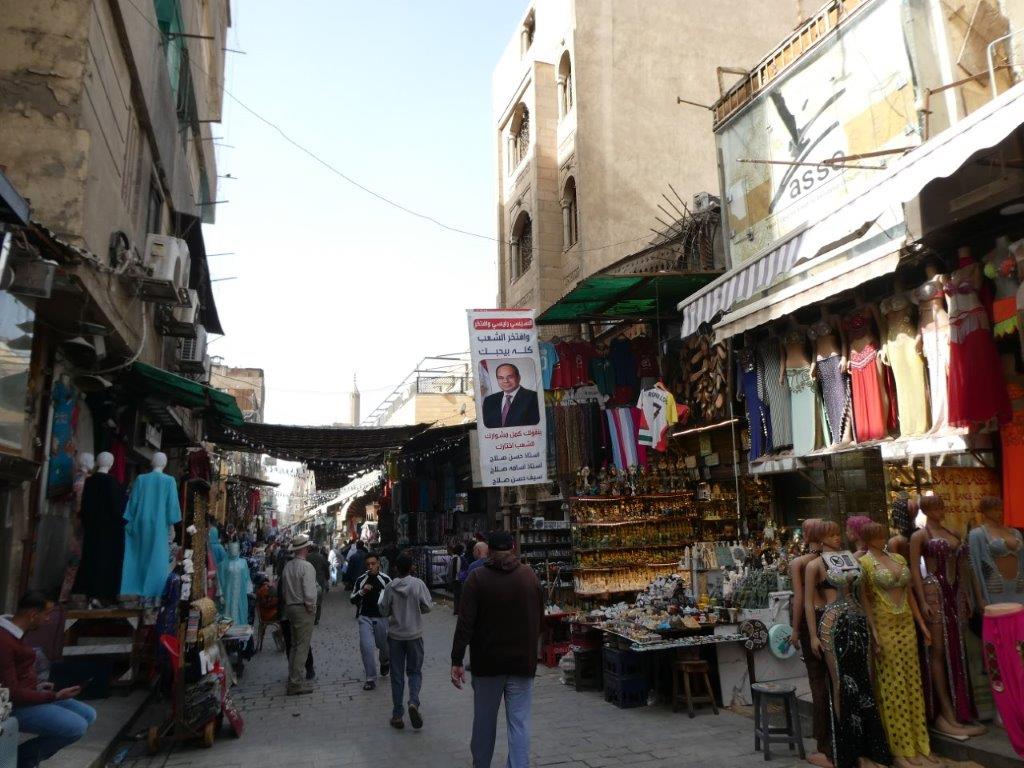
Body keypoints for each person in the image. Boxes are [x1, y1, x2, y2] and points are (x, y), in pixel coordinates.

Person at [450, 531, 543, 768]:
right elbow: (540, 617)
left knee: (484, 722)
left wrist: (457, 660)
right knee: (519, 723)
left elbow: (465, 623)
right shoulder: (528, 576)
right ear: (513, 548)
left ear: (489, 551)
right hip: (522, 662)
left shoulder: (477, 578)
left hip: (487, 664)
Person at [0, 591, 96, 768]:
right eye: (46, 614)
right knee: (76, 727)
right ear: (33, 615)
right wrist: (54, 696)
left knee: (88, 714)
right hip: (11, 706)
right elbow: (11, 692)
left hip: (27, 695)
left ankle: (23, 758)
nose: (48, 619)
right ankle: (23, 760)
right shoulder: (4, 641)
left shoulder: (16, 632)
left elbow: (17, 676)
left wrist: (37, 686)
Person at [379, 553, 433, 730]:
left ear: (395, 568)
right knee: (415, 672)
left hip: (395, 636)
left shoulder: (389, 587)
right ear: (412, 567)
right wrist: (416, 609)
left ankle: (397, 715)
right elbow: (428, 606)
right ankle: (413, 702)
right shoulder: (418, 584)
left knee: (396, 675)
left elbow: (383, 611)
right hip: (414, 635)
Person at [281, 534, 318, 695]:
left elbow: (284, 590)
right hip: (302, 608)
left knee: (295, 645)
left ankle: (292, 677)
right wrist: (311, 607)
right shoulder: (307, 567)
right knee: (302, 646)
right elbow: (309, 592)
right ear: (305, 548)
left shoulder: (287, 566)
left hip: (290, 607)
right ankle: (295, 682)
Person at [351, 552, 391, 691]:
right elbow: (352, 599)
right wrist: (362, 592)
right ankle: (370, 678)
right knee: (366, 647)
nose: (370, 566)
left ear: (378, 563)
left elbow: (393, 599)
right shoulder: (361, 580)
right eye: (368, 564)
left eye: (373, 563)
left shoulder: (386, 579)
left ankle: (385, 661)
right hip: (365, 618)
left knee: (384, 646)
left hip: (381, 618)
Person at [481, 364, 540, 428]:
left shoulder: (534, 398)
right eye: (501, 378)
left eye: (510, 377)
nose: (505, 381)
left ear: (518, 378)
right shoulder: (489, 400)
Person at [306, 545, 330, 624]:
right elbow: (326, 568)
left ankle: (309, 616)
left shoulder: (307, 557)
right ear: (318, 550)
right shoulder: (321, 557)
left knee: (308, 597)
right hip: (319, 580)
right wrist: (327, 577)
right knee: (318, 600)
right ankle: (316, 618)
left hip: (308, 579)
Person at [448, 544, 465, 615]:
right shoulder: (458, 558)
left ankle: (456, 609)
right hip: (457, 579)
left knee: (456, 595)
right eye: (462, 550)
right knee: (459, 595)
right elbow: (458, 570)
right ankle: (458, 610)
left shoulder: (453, 558)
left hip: (453, 579)